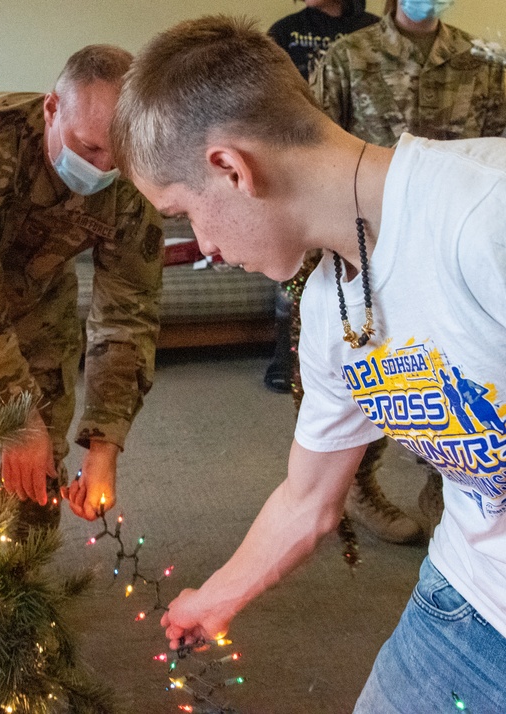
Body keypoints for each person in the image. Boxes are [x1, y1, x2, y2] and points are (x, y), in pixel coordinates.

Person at [112, 16, 506, 711]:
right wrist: (215, 597)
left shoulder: (482, 216)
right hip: (469, 593)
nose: (203, 245)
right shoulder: (330, 309)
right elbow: (308, 499)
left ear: (231, 168)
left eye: (185, 214)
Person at [0, 45, 164, 530]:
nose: (103, 168)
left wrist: (105, 444)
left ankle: (18, 573)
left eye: (116, 154)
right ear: (51, 109)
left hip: (39, 293)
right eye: (88, 148)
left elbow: (128, 313)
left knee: (39, 460)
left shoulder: (136, 170)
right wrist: (18, 416)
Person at [293, 0, 506, 544]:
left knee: (466, 373)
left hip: (457, 237)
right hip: (370, 245)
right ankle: (359, 485)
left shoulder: (481, 60)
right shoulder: (350, 55)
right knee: (383, 375)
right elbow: (312, 146)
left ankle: (452, 488)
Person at [263, 0, 379, 396]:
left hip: (363, 177)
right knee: (296, 283)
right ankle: (288, 360)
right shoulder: (285, 32)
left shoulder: (372, 30)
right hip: (302, 178)